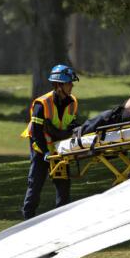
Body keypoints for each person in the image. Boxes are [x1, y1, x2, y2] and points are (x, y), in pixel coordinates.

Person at [20, 64, 80, 219]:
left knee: (63, 186)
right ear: (59, 85)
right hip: (41, 149)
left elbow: (72, 123)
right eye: (69, 83)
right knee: (35, 185)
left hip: (60, 149)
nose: (72, 86)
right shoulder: (42, 103)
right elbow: (36, 132)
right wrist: (45, 151)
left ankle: (61, 220)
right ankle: (28, 219)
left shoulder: (72, 102)